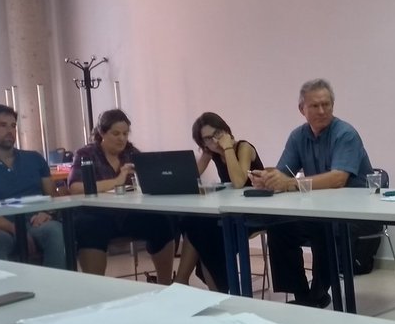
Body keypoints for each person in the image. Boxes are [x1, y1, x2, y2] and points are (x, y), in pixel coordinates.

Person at [253, 78, 374, 308]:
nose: (322, 110)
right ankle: (301, 294)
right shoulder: (298, 136)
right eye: (315, 106)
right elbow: (283, 172)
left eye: (326, 104)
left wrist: (288, 184)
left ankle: (318, 293)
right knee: (279, 227)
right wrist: (268, 179)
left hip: (357, 213)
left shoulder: (345, 133)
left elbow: (338, 179)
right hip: (318, 210)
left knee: (324, 227)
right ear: (302, 109)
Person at [67, 109, 176, 280]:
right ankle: (95, 287)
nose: (122, 138)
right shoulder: (86, 154)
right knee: (88, 228)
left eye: (125, 134)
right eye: (116, 133)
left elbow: (152, 180)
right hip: (97, 215)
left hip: (127, 214)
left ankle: (165, 282)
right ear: (102, 132)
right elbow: (75, 187)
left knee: (161, 222)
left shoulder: (132, 154)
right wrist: (117, 180)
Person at [0, 105, 66, 269]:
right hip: (0, 226)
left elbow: (51, 197)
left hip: (36, 222)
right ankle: (6, 292)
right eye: (2, 125)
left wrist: (47, 212)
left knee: (56, 232)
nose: (10, 131)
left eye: (13, 126)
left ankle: (55, 290)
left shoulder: (34, 159)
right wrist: (16, 229)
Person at [177, 112, 263, 291]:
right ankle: (182, 281)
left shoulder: (243, 147)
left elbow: (239, 182)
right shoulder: (211, 152)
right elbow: (190, 177)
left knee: (209, 231)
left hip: (255, 210)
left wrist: (228, 149)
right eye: (207, 139)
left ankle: (218, 290)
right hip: (230, 209)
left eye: (217, 134)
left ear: (225, 131)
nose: (214, 141)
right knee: (193, 221)